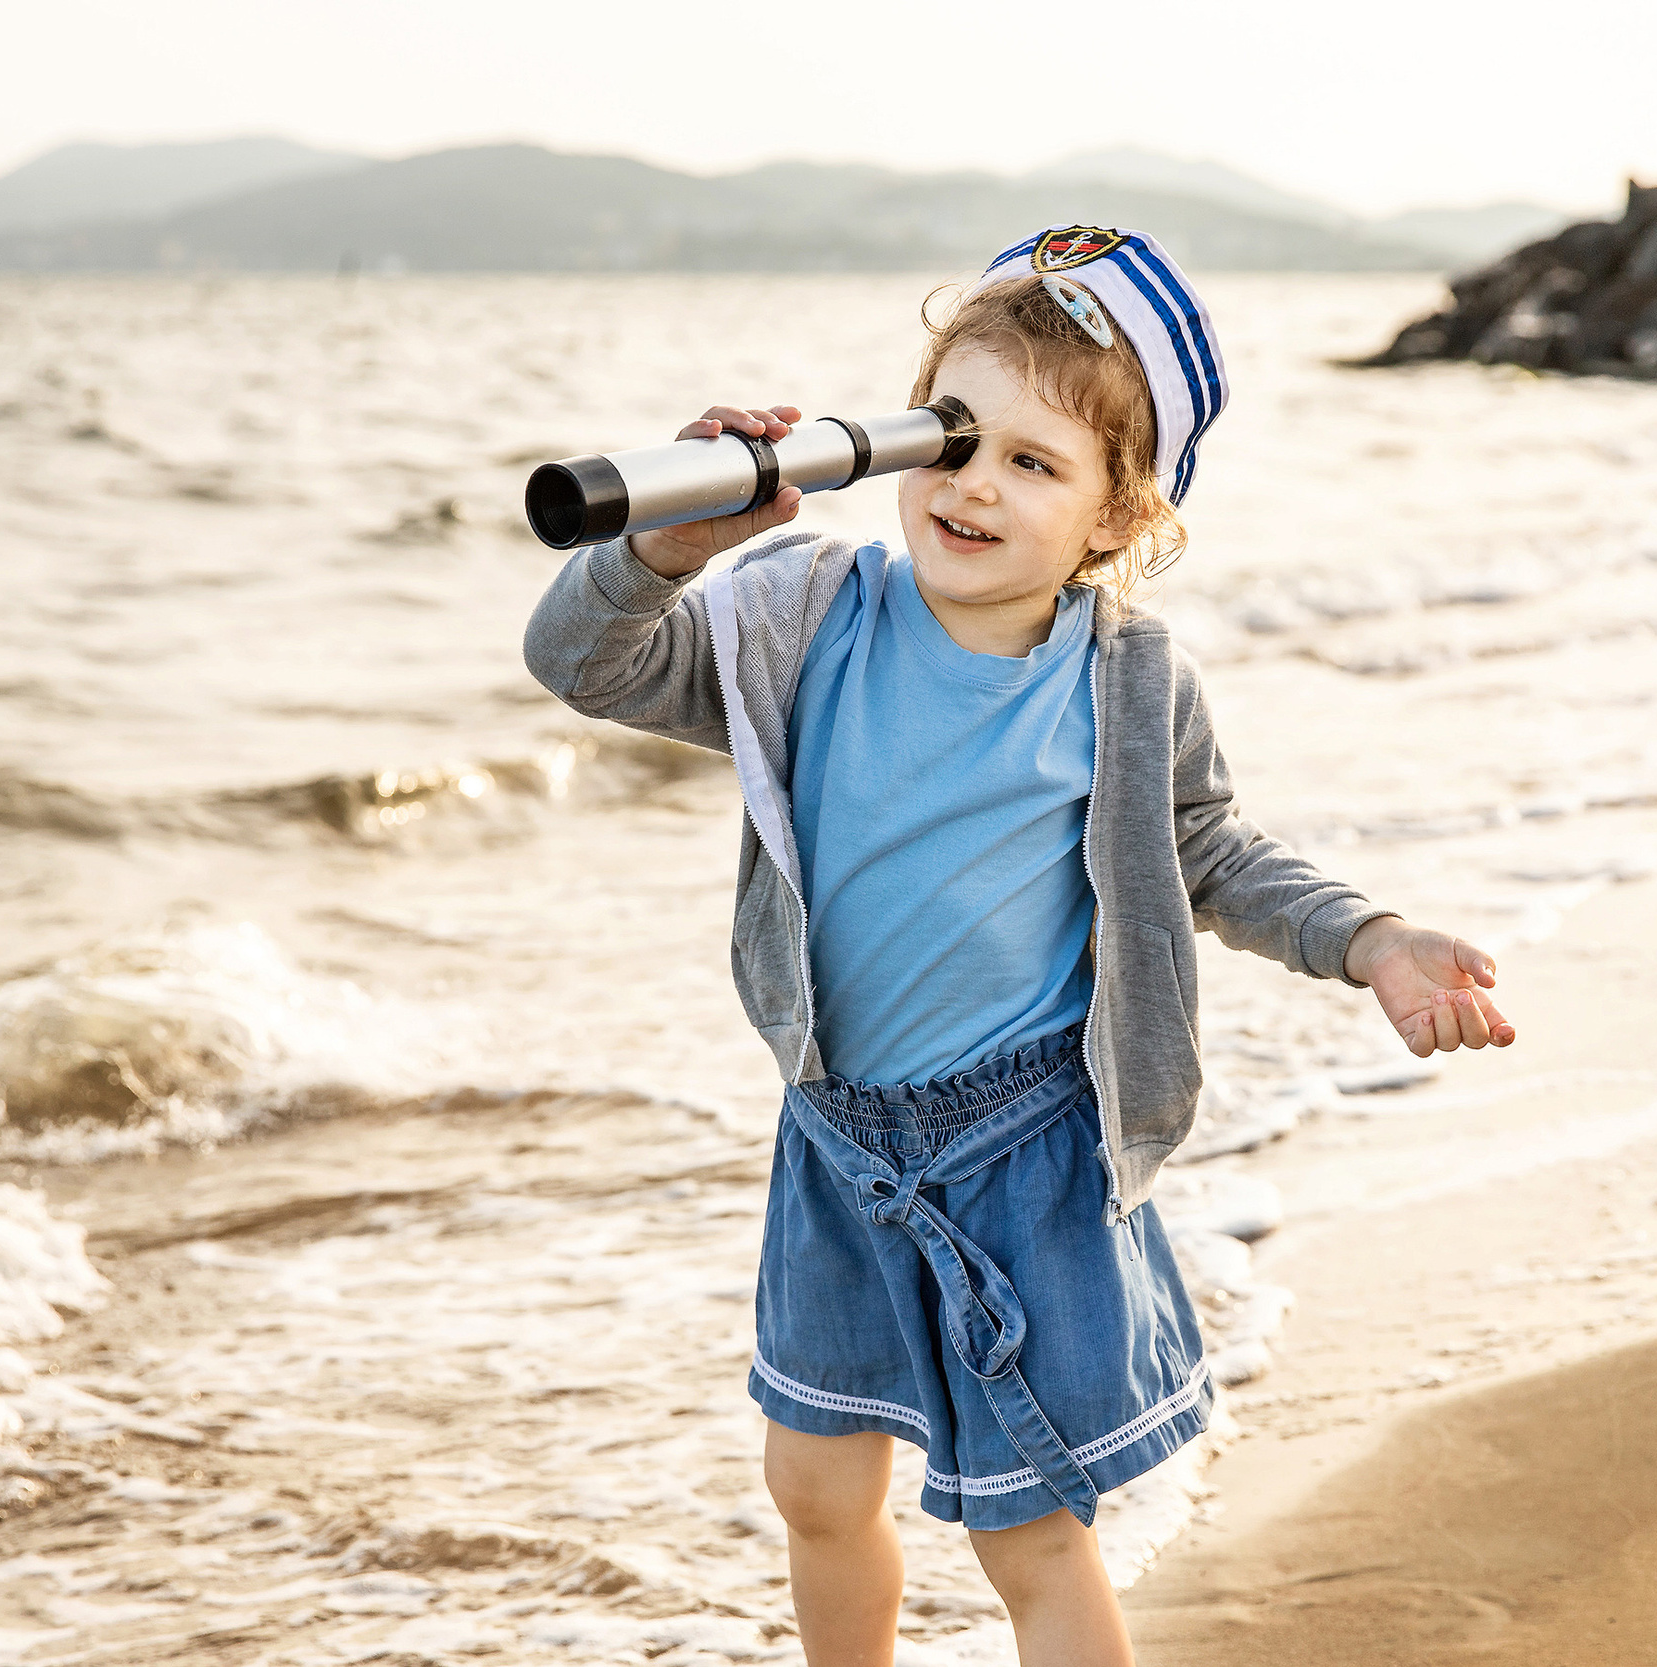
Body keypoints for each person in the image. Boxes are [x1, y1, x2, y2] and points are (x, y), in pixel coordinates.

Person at [522, 225, 1515, 1666]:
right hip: (837, 1139)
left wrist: (1369, 942)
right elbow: (583, 663)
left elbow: (1214, 855)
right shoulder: (804, 618)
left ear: (1115, 521)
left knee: (1026, 1528)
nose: (976, 484)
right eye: (954, 439)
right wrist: (664, 549)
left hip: (1025, 1150)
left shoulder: (1125, 682)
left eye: (1035, 465)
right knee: (809, 1484)